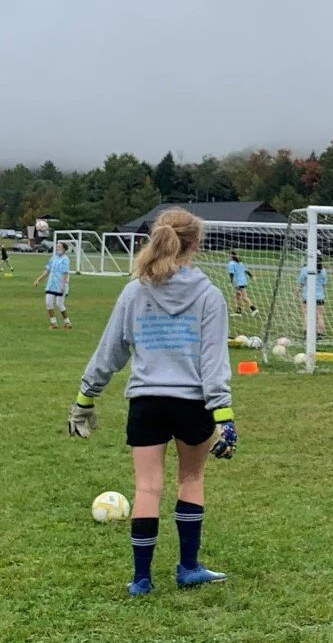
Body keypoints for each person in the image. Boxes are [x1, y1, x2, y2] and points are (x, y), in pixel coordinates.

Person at [65, 208, 238, 597]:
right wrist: (225, 417)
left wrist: (84, 399)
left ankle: (141, 579)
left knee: (146, 488)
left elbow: (110, 351)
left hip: (145, 403)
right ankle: (188, 568)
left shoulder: (134, 291)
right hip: (192, 404)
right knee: (191, 480)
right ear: (195, 244)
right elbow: (214, 363)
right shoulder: (209, 296)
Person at [32, 241, 72, 329]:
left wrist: (63, 285)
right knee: (48, 303)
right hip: (51, 284)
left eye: (60, 247)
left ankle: (67, 322)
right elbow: (47, 271)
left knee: (59, 304)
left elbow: (65, 273)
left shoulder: (65, 259)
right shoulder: (53, 258)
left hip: (60, 284)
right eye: (57, 247)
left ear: (64, 249)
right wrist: (38, 280)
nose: (58, 248)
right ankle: (53, 323)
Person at [296, 258, 327, 335]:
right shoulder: (323, 270)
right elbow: (324, 284)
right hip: (319, 297)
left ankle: (306, 332)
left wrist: (297, 292)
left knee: (307, 315)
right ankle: (320, 333)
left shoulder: (305, 269)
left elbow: (301, 282)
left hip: (307, 296)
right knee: (320, 316)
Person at [226, 252, 260, 317]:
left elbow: (231, 274)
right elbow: (246, 271)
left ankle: (254, 309)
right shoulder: (240, 263)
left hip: (239, 282)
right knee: (238, 296)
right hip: (243, 281)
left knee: (243, 297)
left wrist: (230, 282)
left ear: (231, 256)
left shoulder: (231, 264)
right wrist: (252, 277)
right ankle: (239, 311)